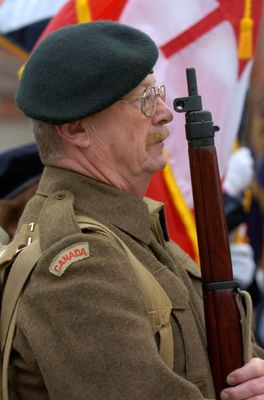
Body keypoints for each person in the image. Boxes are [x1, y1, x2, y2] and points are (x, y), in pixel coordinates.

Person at [4, 21, 264, 400]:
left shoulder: (135, 231)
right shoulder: (80, 264)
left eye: (157, 93)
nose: (164, 113)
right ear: (77, 129)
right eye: (144, 99)